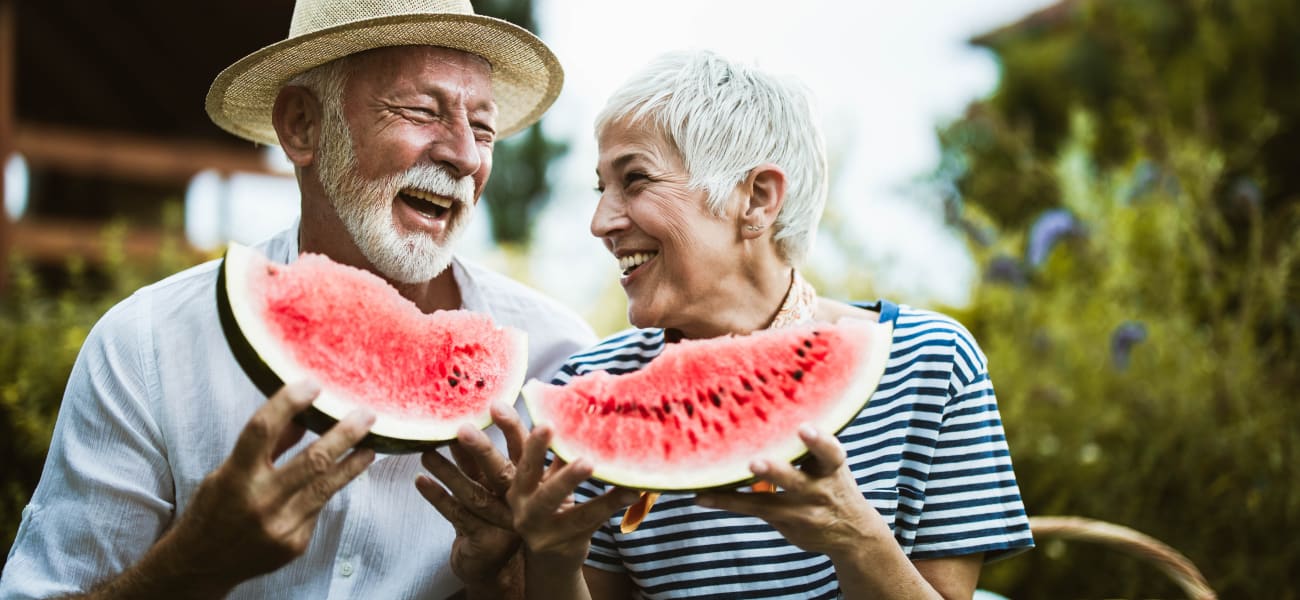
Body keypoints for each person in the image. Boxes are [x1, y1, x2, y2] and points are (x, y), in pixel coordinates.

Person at [0, 1, 593, 598]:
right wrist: (190, 564)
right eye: (421, 111)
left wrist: (515, 581)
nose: (465, 156)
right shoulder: (147, 347)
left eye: (484, 128)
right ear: (303, 126)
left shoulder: (557, 365)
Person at [499, 50, 1036, 599]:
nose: (601, 222)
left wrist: (857, 539)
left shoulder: (930, 363)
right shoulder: (586, 388)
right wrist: (554, 560)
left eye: (635, 180)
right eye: (601, 189)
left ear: (756, 198)